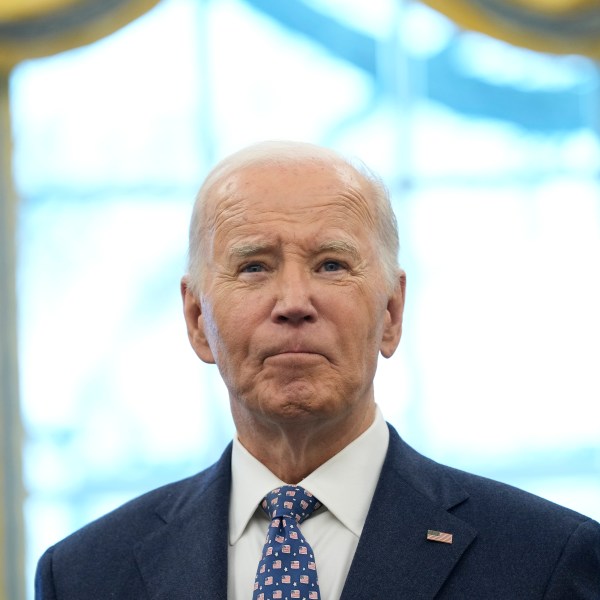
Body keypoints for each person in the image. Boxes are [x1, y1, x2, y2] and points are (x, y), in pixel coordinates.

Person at [36, 141, 600, 599]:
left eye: (331, 265)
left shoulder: (545, 559)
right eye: (254, 267)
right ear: (195, 320)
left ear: (390, 313)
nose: (293, 301)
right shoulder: (84, 575)